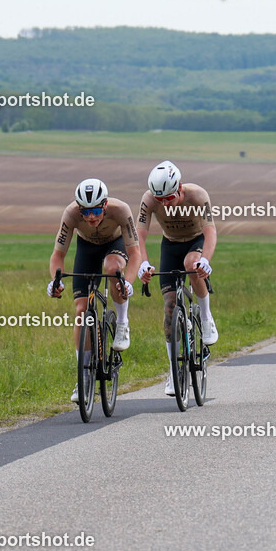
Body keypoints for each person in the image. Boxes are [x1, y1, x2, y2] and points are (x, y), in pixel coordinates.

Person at [48, 178, 141, 403]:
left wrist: (128, 282)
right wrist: (55, 281)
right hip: (87, 248)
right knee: (81, 310)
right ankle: (84, 376)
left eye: (96, 211)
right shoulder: (71, 214)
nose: (91, 217)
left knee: (112, 269)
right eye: (86, 212)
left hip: (115, 245)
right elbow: (58, 255)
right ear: (79, 208)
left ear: (105, 205)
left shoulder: (121, 210)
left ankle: (122, 323)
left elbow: (135, 252)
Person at [135, 161, 219, 396]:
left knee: (191, 265)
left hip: (195, 241)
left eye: (169, 198)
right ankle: (174, 371)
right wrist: (143, 263)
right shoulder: (149, 199)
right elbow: (139, 235)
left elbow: (211, 231)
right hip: (170, 245)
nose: (164, 204)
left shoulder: (197, 195)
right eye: (159, 199)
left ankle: (206, 316)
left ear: (179, 187)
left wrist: (206, 260)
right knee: (170, 308)